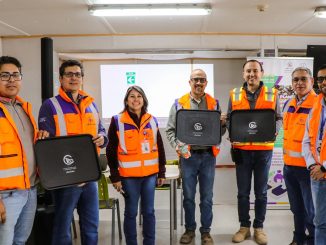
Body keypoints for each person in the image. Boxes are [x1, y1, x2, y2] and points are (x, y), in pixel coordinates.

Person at [38, 59, 108, 245]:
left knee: (91, 227)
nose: (74, 78)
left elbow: (101, 130)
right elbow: (47, 144)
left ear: (82, 78)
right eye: (69, 74)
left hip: (90, 177)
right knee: (62, 229)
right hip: (66, 178)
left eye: (77, 74)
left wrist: (102, 137)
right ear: (61, 79)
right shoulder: (50, 105)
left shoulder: (91, 104)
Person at [166, 69, 225, 245]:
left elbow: (219, 133)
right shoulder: (179, 104)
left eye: (202, 80)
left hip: (208, 156)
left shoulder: (214, 104)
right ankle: (190, 230)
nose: (199, 83)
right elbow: (170, 130)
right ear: (189, 82)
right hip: (188, 158)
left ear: (206, 83)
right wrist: (180, 147)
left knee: (207, 197)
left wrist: (222, 124)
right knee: (189, 197)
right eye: (195, 80)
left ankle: (206, 232)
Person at [227, 60, 282, 245]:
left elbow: (279, 118)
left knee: (261, 193)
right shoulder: (234, 94)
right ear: (243, 74)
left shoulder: (273, 93)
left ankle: (259, 228)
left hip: (263, 151)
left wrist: (276, 129)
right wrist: (231, 132)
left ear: (261, 73)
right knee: (242, 192)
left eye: (255, 71)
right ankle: (244, 227)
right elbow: (230, 119)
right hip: (242, 150)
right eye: (248, 71)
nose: (252, 74)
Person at [106, 85, 166, 245]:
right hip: (128, 177)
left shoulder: (152, 120)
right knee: (131, 212)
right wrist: (115, 176)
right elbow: (111, 150)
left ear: (144, 100)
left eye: (139, 96)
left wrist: (161, 172)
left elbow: (159, 146)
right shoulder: (117, 121)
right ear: (126, 100)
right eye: (132, 96)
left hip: (150, 175)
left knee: (148, 212)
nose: (136, 99)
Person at [0, 56, 48, 244]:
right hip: (6, 194)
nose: (11, 80)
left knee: (21, 240)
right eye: (5, 75)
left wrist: (40, 137)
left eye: (15, 75)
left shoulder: (24, 108)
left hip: (30, 189)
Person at [283, 67, 315, 245]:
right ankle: (298, 238)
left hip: (308, 168)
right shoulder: (289, 103)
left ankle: (312, 241)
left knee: (311, 211)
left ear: (311, 81)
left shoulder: (317, 104)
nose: (299, 83)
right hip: (289, 167)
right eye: (296, 80)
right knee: (296, 208)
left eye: (303, 79)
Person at [302, 64, 326, 245]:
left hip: (323, 170)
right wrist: (312, 165)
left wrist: (323, 167)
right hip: (317, 175)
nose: (324, 82)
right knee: (320, 222)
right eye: (320, 79)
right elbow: (307, 140)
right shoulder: (316, 105)